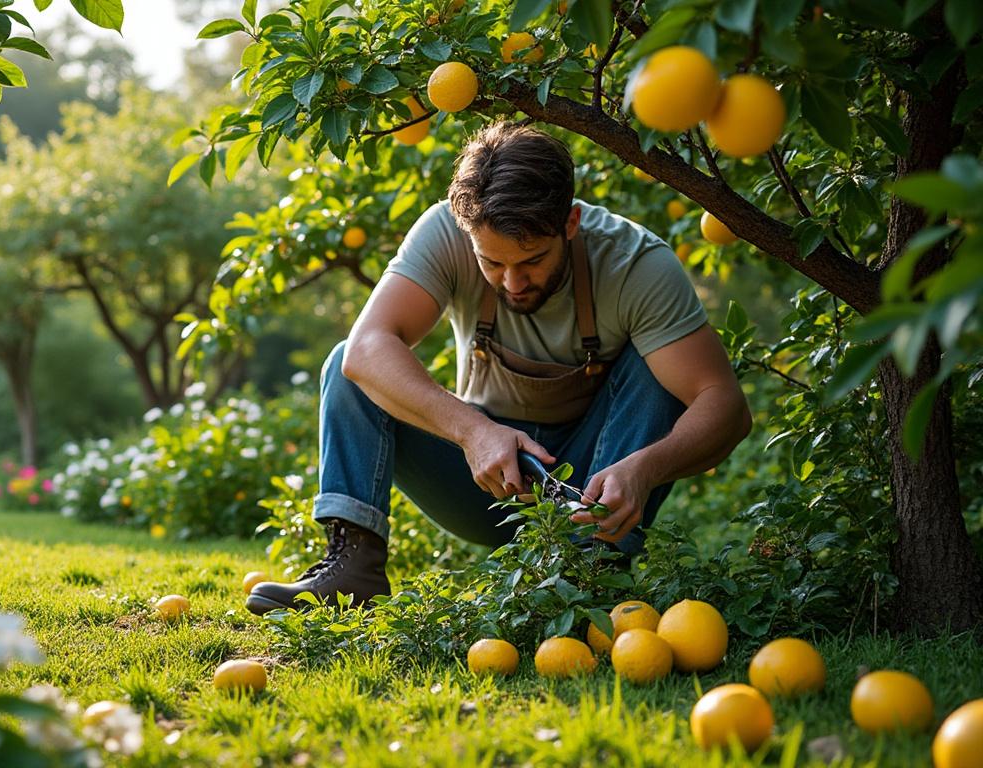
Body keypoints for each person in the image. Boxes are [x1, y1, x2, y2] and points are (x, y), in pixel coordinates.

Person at [245, 121, 752, 616]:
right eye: (492, 262)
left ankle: (587, 573)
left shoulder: (635, 264)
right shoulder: (446, 229)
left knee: (660, 365)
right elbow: (367, 350)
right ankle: (354, 569)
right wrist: (474, 432)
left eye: (530, 260)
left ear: (569, 223)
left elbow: (724, 406)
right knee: (348, 363)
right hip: (486, 483)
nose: (511, 283)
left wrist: (645, 469)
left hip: (595, 481)